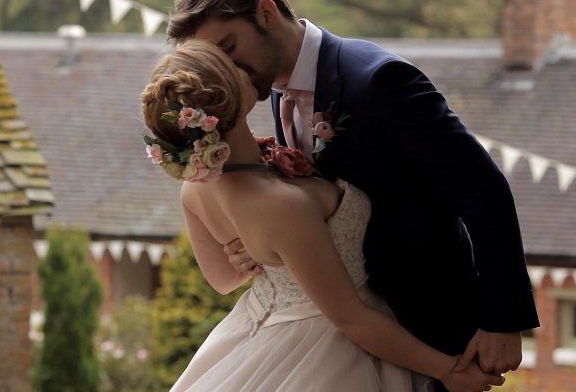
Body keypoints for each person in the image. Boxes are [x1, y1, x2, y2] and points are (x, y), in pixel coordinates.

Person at [165, 0, 539, 391]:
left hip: (430, 316)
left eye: (229, 48)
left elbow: (482, 189)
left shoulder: (378, 81)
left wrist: (502, 318)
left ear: (266, 13)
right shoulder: (270, 91)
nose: (228, 70)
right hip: (350, 339)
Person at [142, 40, 502, 392]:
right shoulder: (282, 205)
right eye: (233, 66)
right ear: (227, 98)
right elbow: (351, 318)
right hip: (326, 348)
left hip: (256, 336)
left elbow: (222, 279)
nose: (245, 66)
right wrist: (449, 371)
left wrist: (259, 252)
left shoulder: (195, 189)